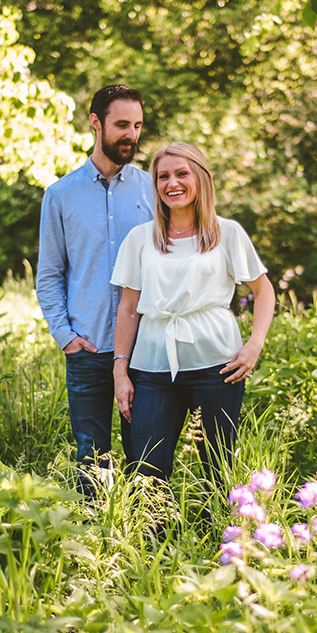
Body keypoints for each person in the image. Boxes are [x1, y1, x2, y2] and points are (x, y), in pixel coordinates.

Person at [110, 142, 275, 487]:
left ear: (200, 178)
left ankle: (225, 537)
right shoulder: (140, 239)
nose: (172, 183)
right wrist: (120, 370)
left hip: (218, 366)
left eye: (182, 173)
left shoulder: (226, 233)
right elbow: (127, 309)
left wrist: (254, 345)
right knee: (146, 470)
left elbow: (263, 291)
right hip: (153, 368)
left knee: (219, 468)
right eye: (163, 176)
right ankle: (152, 541)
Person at [36, 85, 155, 495]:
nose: (131, 135)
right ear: (95, 122)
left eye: (137, 126)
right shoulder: (60, 195)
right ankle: (93, 546)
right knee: (91, 460)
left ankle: (146, 542)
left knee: (146, 458)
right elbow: (49, 274)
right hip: (86, 350)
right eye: (122, 125)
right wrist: (65, 337)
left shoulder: (152, 190)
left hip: (144, 349)